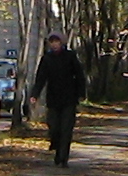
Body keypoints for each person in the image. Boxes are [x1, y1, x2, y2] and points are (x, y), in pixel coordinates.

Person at [26, 32, 85, 166]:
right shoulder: (47, 58)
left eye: (56, 41)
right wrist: (35, 94)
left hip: (69, 99)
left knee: (66, 129)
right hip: (53, 99)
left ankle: (63, 158)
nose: (54, 44)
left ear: (61, 42)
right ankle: (56, 146)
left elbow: (79, 75)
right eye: (52, 42)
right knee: (54, 127)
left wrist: (81, 93)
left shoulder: (70, 56)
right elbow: (41, 78)